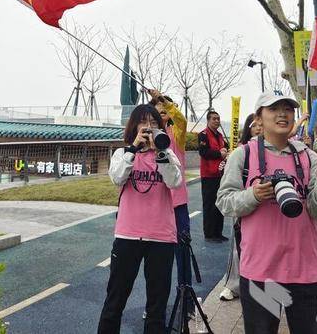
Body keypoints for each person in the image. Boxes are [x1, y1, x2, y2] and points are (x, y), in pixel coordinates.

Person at [216, 91, 317, 334]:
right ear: (258, 118)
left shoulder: (309, 157)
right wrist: (254, 195)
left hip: (305, 270)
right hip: (260, 272)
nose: (282, 114)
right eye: (274, 109)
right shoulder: (243, 155)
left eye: (287, 109)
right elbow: (224, 202)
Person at [98, 104, 183, 334]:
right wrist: (133, 149)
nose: (148, 127)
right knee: (115, 300)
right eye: (143, 122)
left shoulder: (167, 154)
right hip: (128, 235)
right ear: (134, 126)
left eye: (154, 123)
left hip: (161, 237)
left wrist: (161, 153)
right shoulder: (122, 154)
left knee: (157, 306)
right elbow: (117, 178)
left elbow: (174, 182)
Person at [149, 90, 193, 302]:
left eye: (165, 109)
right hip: (155, 206)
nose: (163, 112)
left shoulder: (177, 134)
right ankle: (156, 303)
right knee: (156, 258)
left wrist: (163, 100)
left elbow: (181, 120)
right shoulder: (147, 138)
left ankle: (186, 299)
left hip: (178, 205)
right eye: (158, 111)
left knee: (182, 252)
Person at [220, 113, 258, 302]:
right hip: (243, 205)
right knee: (237, 248)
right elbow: (225, 195)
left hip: (267, 211)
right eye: (255, 125)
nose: (259, 127)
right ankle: (233, 285)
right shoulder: (242, 151)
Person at [198, 110, 229, 241]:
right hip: (208, 176)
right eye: (214, 119)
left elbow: (226, 148)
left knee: (219, 204)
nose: (217, 121)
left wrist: (226, 150)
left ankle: (218, 232)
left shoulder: (220, 136)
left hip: (220, 175)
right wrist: (219, 153)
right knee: (210, 205)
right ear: (208, 120)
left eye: (218, 118)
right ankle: (209, 234)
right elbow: (203, 152)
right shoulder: (203, 135)